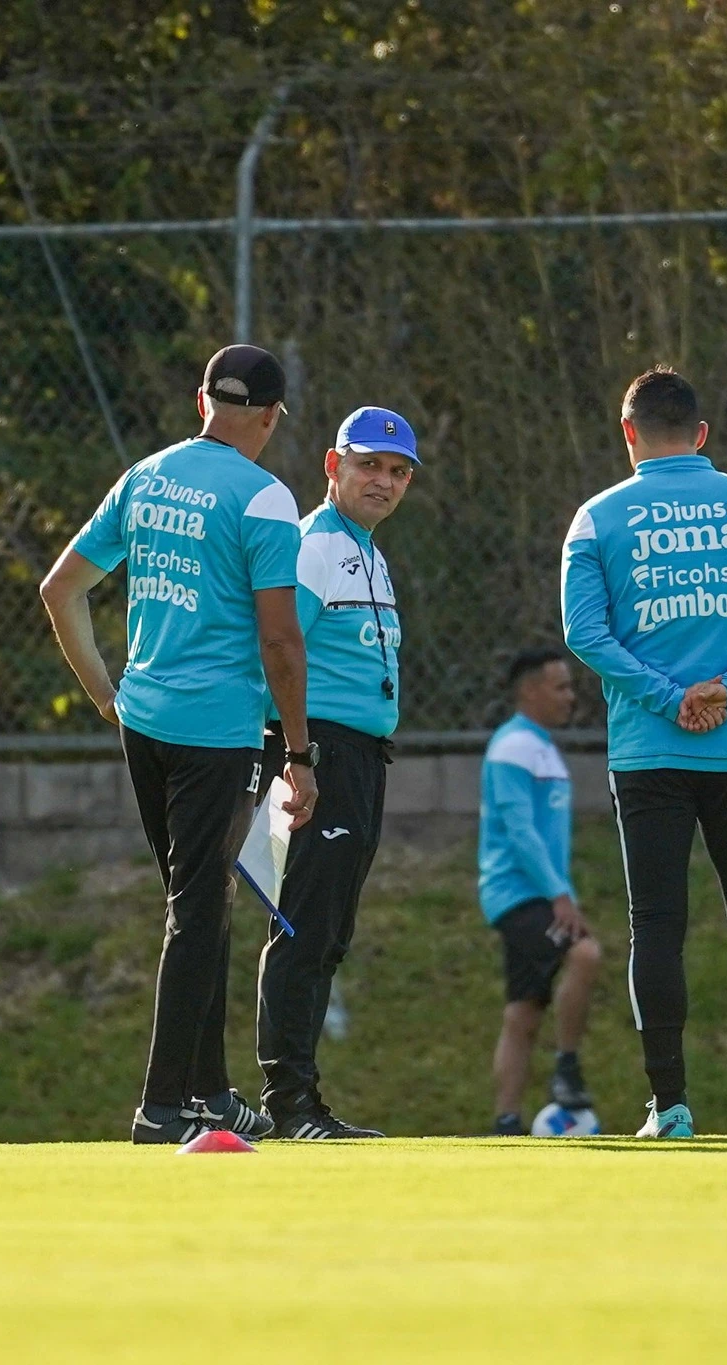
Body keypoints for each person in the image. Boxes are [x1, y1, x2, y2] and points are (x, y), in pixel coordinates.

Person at [39, 343, 320, 1145]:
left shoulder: (145, 477)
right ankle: (162, 1107)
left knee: (199, 901)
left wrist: (105, 693)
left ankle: (207, 1092)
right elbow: (280, 642)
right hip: (217, 733)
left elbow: (62, 589)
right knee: (197, 911)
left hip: (145, 722)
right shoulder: (264, 499)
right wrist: (299, 755)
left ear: (203, 401)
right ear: (269, 416)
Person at [561, 365, 727, 1141]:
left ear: (628, 432)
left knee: (657, 926)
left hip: (647, 752)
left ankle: (669, 1106)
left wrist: (666, 696)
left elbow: (585, 632)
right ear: (701, 434)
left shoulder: (597, 518)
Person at [252, 406, 420, 1139]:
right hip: (319, 753)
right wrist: (297, 758)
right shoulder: (317, 547)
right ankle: (289, 1105)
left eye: (397, 471)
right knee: (303, 927)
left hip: (358, 758)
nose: (383, 481)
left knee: (327, 931)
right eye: (369, 465)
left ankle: (300, 1101)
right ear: (333, 466)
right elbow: (278, 652)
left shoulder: (368, 552)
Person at [478, 646, 602, 1136]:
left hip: (533, 893)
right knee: (586, 954)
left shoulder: (541, 745)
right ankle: (567, 1068)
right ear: (529, 691)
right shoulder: (514, 746)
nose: (571, 697)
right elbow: (520, 828)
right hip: (517, 893)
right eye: (561, 686)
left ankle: (506, 1121)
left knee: (524, 1010)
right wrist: (559, 894)